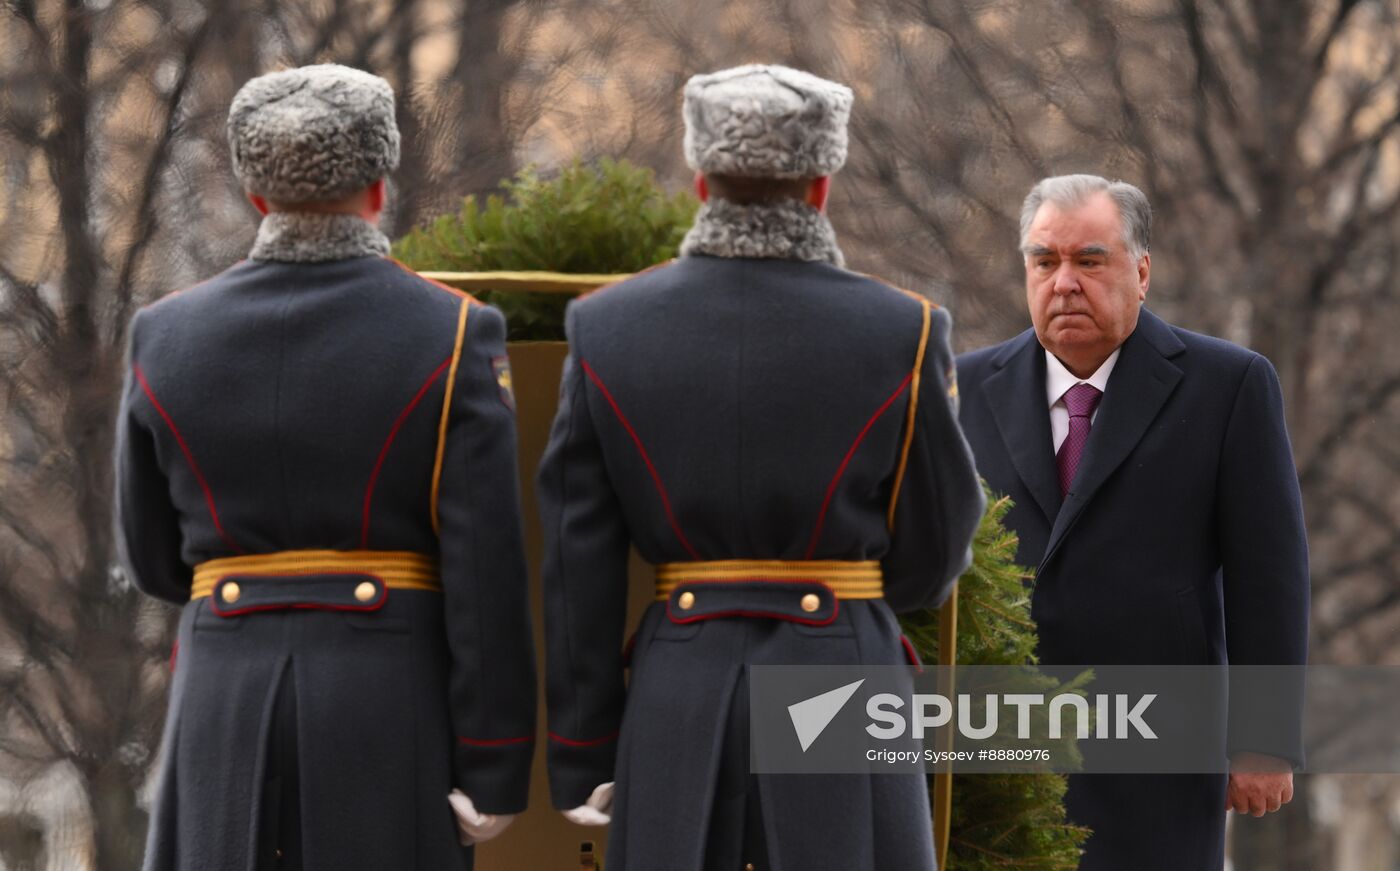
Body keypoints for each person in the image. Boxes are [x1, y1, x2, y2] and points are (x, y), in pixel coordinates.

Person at [536, 63, 985, 871]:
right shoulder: (904, 330)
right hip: (843, 675)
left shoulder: (605, 328)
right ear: (821, 186)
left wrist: (583, 749)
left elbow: (579, 567)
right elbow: (933, 556)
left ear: (701, 177)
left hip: (680, 684)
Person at [113, 64, 535, 871]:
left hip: (221, 696)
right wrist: (493, 761)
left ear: (257, 195)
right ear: (380, 185)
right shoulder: (455, 332)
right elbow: (487, 571)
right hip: (386, 700)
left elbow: (156, 562)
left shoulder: (163, 336)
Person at [954, 174, 1310, 870]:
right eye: (1044, 261)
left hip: (1160, 756)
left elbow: (1268, 571)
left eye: (1090, 260)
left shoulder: (1228, 386)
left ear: (1141, 272)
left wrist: (1263, 737)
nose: (1064, 283)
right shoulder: (960, 391)